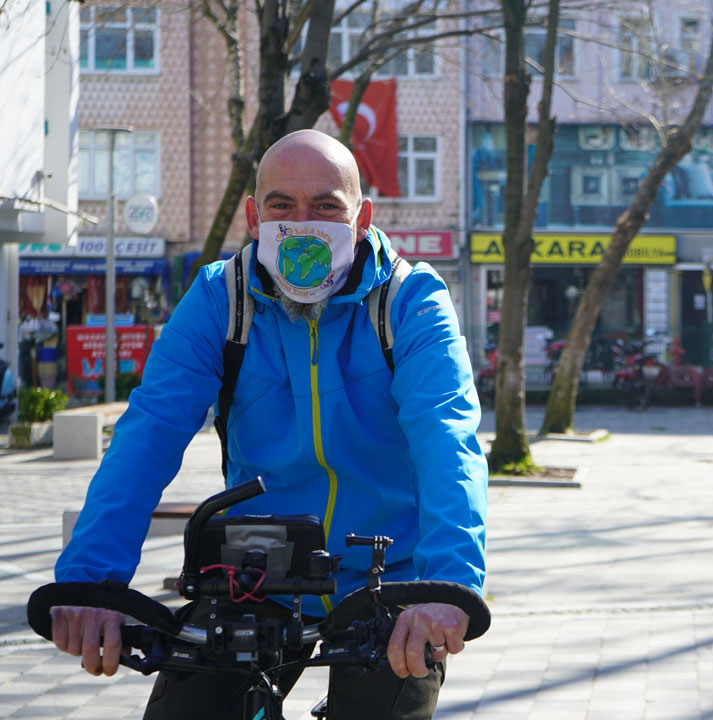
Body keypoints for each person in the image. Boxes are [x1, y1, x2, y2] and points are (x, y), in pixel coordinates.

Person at [49, 130, 487, 720]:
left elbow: (447, 437)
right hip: (256, 568)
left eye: (327, 206)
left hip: (392, 578)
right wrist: (92, 582)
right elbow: (149, 430)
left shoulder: (410, 303)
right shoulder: (219, 298)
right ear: (255, 217)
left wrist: (446, 586)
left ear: (361, 219)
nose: (302, 223)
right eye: (282, 205)